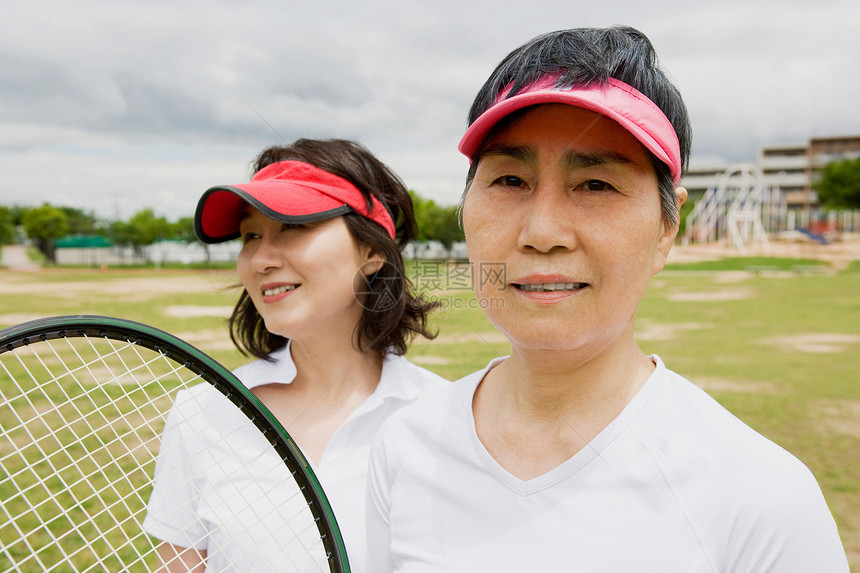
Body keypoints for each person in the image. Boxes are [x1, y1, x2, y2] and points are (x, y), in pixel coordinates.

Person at [365, 27, 850, 572]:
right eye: (509, 180)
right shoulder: (404, 447)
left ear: (667, 226)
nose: (543, 231)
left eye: (595, 184)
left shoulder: (761, 498)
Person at [143, 138, 448, 571]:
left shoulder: (447, 420)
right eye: (250, 235)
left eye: (293, 226)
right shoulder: (203, 412)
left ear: (373, 250)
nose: (261, 260)